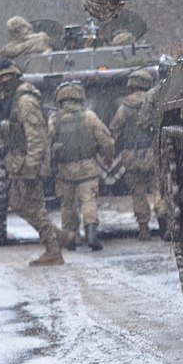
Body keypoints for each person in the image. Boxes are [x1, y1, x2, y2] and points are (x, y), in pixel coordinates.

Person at [0, 60, 64, 265]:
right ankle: (59, 236)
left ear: (15, 75)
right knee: (18, 203)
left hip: (30, 161)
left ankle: (53, 250)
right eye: (1, 78)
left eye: (8, 76)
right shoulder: (11, 100)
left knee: (34, 207)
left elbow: (36, 136)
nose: (5, 81)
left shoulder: (24, 101)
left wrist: (32, 166)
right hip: (20, 161)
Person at [49, 82, 114, 252]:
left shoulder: (54, 121)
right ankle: (91, 233)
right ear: (80, 97)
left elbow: (45, 144)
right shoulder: (89, 116)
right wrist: (107, 156)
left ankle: (70, 238)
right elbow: (106, 140)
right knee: (88, 201)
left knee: (67, 205)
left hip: (65, 171)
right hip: (88, 168)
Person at [110, 69, 164, 239]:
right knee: (158, 188)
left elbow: (115, 131)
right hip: (152, 152)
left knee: (138, 192)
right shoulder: (154, 101)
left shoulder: (123, 107)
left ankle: (143, 229)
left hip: (131, 156)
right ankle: (164, 223)